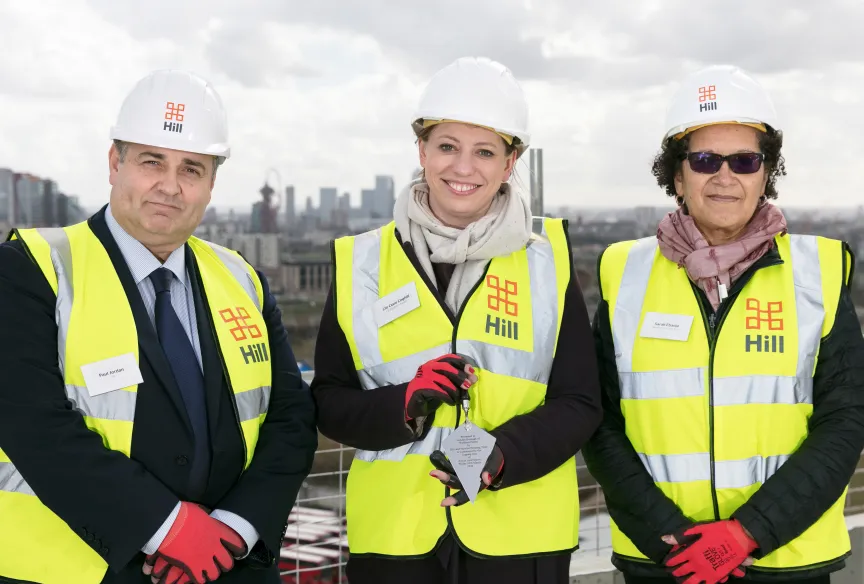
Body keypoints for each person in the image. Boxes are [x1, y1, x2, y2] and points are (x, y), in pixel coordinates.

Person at [0, 70, 317, 584]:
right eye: (152, 162)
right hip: (80, 570)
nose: (170, 186)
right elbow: (34, 428)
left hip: (227, 568)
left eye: (192, 168)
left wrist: (234, 530)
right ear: (114, 164)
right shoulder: (31, 270)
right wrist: (165, 528)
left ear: (211, 184)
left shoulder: (242, 279)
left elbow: (291, 418)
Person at [310, 56, 602, 584]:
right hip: (396, 543)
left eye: (485, 152)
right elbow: (329, 402)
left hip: (520, 544)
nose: (462, 169)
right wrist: (399, 405)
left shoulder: (548, 259)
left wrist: (502, 455)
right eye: (447, 146)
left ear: (510, 162)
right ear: (421, 150)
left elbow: (580, 402)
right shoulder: (361, 263)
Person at [583, 64, 864, 584]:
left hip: (783, 562)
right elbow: (599, 421)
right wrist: (670, 536)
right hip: (664, 560)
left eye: (745, 160)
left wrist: (748, 532)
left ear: (766, 173)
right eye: (706, 159)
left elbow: (845, 421)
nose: (725, 176)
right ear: (677, 173)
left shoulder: (819, 272)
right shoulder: (623, 272)